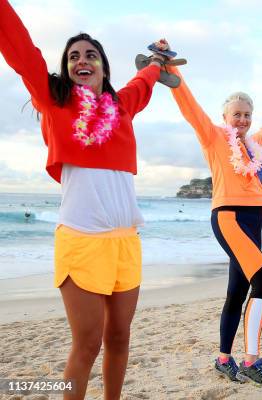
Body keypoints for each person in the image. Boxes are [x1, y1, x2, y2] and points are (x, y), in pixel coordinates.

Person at [0, 2, 166, 398]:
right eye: (73, 56)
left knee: (121, 337)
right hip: (81, 240)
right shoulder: (54, 102)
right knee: (88, 344)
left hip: (126, 241)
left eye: (91, 55)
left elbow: (142, 82)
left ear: (104, 69)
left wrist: (157, 62)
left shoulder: (121, 107)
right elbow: (23, 53)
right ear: (67, 68)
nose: (81, 60)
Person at [163, 59, 262, 387]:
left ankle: (224, 358)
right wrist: (173, 72)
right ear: (225, 119)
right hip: (229, 218)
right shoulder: (214, 137)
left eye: (247, 114)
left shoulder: (253, 146)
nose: (242, 120)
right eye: (237, 115)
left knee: (238, 291)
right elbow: (191, 109)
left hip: (253, 223)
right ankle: (252, 361)